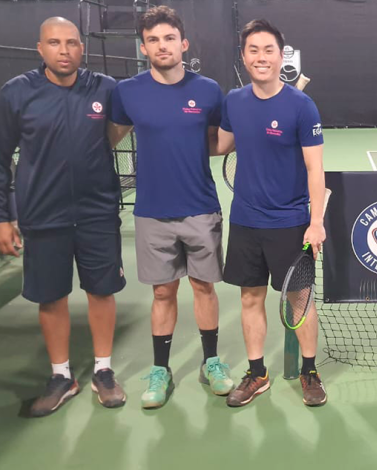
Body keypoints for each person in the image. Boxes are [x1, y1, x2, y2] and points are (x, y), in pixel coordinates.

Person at [108, 6, 234, 409]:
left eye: (168, 38)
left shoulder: (209, 91)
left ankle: (211, 362)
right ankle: (160, 369)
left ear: (183, 44)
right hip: (151, 211)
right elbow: (109, 139)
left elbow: (217, 142)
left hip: (200, 207)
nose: (162, 46)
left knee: (203, 287)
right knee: (163, 291)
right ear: (143, 48)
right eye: (153, 40)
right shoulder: (127, 92)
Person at [0, 17, 126, 416]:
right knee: (51, 296)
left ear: (81, 47)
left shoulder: (104, 88)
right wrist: (3, 217)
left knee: (101, 290)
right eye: (54, 43)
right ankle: (61, 376)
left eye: (71, 42)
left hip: (97, 212)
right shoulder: (16, 93)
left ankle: (103, 370)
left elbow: (125, 124)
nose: (64, 50)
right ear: (40, 49)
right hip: (43, 215)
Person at [213, 19, 327, 407]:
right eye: (253, 50)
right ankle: (257, 373)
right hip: (245, 220)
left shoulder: (302, 106)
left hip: (289, 223)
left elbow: (315, 169)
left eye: (268, 50)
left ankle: (309, 371)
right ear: (243, 57)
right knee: (250, 298)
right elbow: (221, 145)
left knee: (300, 301)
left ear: (281, 56)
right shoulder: (234, 101)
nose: (261, 57)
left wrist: (315, 222)